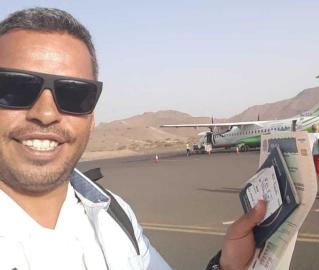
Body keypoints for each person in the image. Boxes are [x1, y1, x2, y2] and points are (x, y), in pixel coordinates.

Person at [0, 8, 266, 270]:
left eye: (74, 94)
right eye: (15, 88)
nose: (45, 114)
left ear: (91, 117)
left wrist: (227, 267)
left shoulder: (114, 214)